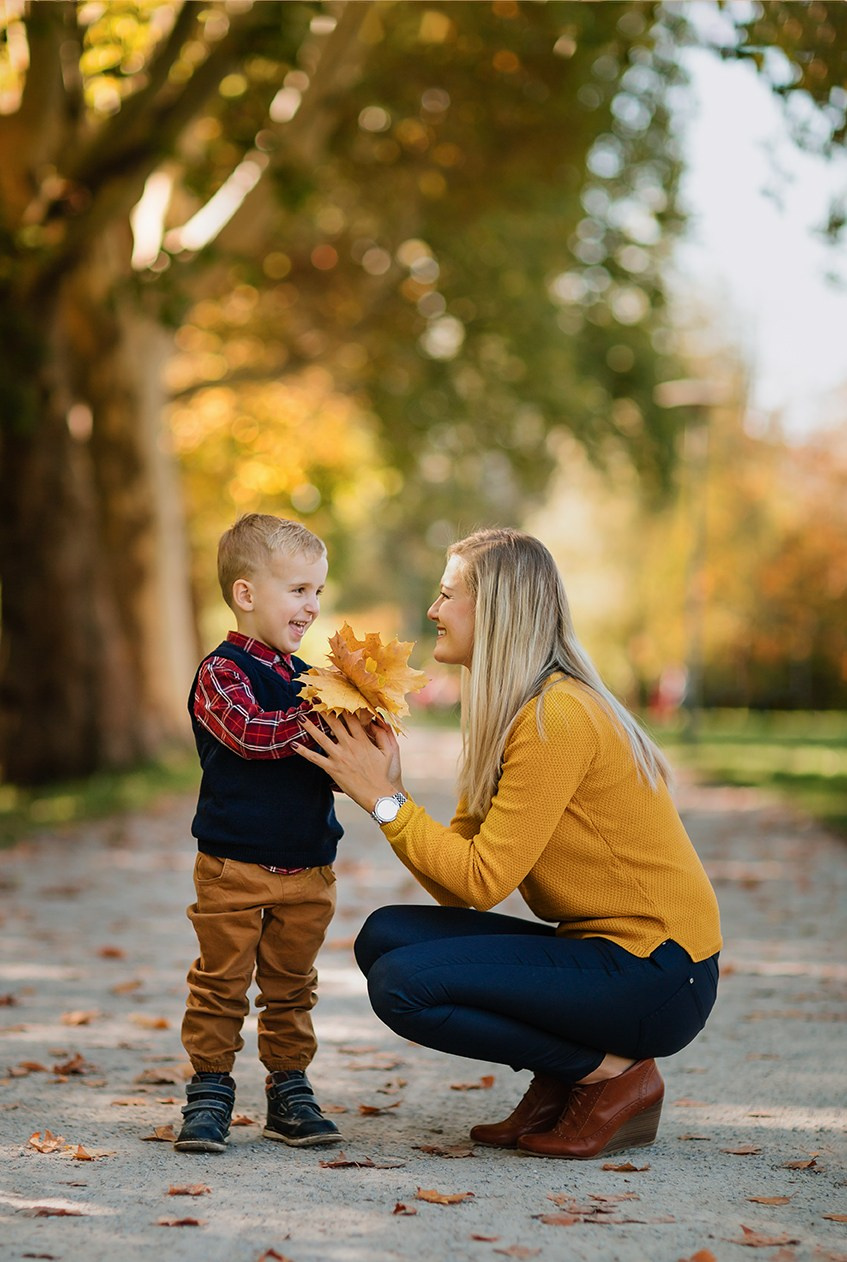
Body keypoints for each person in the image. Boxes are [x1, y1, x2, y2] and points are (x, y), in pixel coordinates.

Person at [293, 527, 721, 1160]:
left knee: (404, 983)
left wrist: (384, 802)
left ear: (492, 608)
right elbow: (459, 883)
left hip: (659, 972)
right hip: (607, 954)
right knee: (387, 937)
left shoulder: (559, 717)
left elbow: (482, 881)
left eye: (446, 596)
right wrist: (393, 791)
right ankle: (571, 1073)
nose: (433, 612)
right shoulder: (509, 710)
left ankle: (604, 1074)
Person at [175, 514, 343, 1154]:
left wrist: (357, 726)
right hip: (234, 867)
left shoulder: (312, 679)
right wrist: (321, 717)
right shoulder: (222, 674)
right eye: (299, 590)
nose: (313, 605)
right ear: (247, 595)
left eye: (318, 591)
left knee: (291, 986)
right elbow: (251, 734)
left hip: (308, 866)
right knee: (221, 983)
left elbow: (336, 765)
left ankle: (290, 1088)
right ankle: (211, 1088)